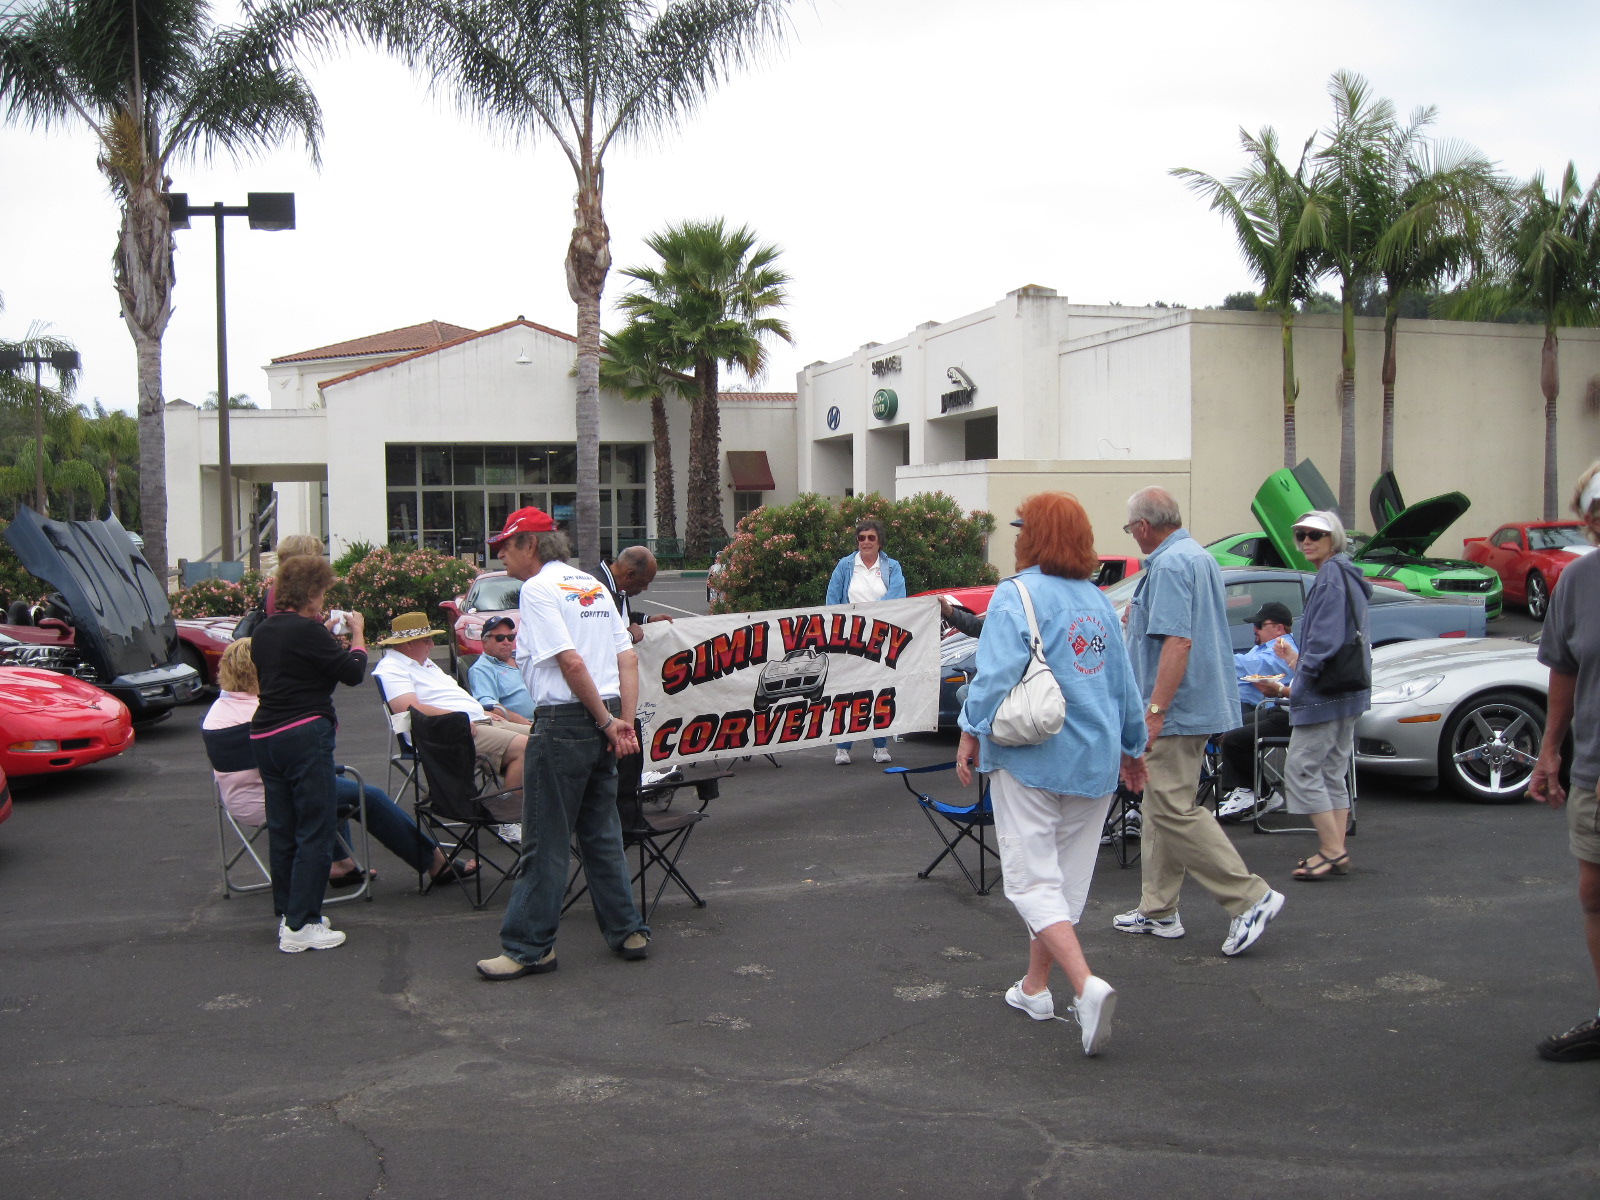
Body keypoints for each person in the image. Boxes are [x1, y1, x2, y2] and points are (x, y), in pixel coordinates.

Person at [955, 493, 1147, 1056]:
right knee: (1061, 885)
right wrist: (1134, 748)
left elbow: (991, 679)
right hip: (1094, 761)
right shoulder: (1099, 600)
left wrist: (970, 730)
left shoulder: (1016, 595)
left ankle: (1086, 986)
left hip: (1031, 757)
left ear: (1030, 536)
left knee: (1032, 883)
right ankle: (1035, 988)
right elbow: (1125, 686)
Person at [475, 506, 651, 981]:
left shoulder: (537, 589)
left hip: (567, 720)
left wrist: (604, 720)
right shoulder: (591, 584)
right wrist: (622, 723)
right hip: (606, 714)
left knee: (546, 838)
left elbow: (571, 663)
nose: (502, 558)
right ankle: (628, 930)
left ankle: (528, 947)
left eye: (505, 547)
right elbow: (627, 659)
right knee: (601, 831)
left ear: (529, 545)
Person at [1116, 486, 1284, 956]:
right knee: (1161, 806)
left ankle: (1248, 897)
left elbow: (1177, 643)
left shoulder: (1170, 564)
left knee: (1170, 808)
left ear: (1145, 526)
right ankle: (1159, 909)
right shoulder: (1195, 556)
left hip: (1177, 709)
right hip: (1195, 705)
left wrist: (1154, 711)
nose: (1132, 536)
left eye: (1131, 529)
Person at [203, 639, 476, 888]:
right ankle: (435, 862)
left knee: (334, 781)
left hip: (239, 801)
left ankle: (340, 865)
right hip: (277, 801)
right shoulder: (261, 713)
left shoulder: (219, 711)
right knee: (368, 795)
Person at [249, 555, 368, 953]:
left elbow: (294, 667)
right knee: (315, 826)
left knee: (283, 828)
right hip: (305, 734)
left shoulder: (265, 631)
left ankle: (289, 913)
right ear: (313, 594)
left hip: (266, 733)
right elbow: (351, 672)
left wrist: (324, 635)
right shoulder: (308, 631)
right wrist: (357, 637)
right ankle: (304, 922)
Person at [1528, 461, 1600, 1062]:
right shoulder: (1577, 582)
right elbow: (1565, 670)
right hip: (1594, 772)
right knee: (1593, 892)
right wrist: (1550, 750)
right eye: (1594, 509)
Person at [1278, 511, 1369, 880]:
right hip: (1349, 690)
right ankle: (1337, 849)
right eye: (1300, 535)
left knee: (1301, 768)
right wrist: (1298, 661)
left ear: (1335, 537)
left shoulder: (1331, 575)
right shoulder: (1347, 573)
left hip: (1325, 694)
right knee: (1332, 770)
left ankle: (1332, 850)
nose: (1306, 541)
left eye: (1315, 534)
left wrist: (1299, 681)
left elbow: (1325, 639)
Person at [825, 519, 907, 765]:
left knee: (880, 692)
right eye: (862, 538)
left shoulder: (892, 567)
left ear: (879, 540)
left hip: (880, 641)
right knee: (846, 693)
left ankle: (880, 746)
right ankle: (842, 747)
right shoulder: (845, 566)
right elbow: (832, 600)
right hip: (849, 639)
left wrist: (870, 617)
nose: (866, 542)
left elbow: (897, 599)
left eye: (871, 537)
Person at [1214, 602, 1299, 820]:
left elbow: (1247, 666)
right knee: (1227, 726)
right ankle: (1248, 788)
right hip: (1267, 708)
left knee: (1231, 733)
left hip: (1283, 711)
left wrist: (1210, 657)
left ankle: (1258, 791)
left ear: (1279, 628)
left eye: (1260, 625)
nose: (1255, 629)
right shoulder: (1263, 647)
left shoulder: (1282, 649)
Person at [595, 545, 674, 645]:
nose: (646, 588)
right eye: (643, 583)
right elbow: (595, 638)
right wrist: (629, 636)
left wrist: (648, 620)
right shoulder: (597, 590)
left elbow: (618, 618)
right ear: (629, 575)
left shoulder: (616, 585)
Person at [467, 615, 535, 721]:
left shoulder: (522, 658)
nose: (506, 642)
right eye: (500, 638)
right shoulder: (482, 669)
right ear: (484, 642)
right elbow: (490, 706)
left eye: (510, 637)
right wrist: (525, 724)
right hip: (524, 726)